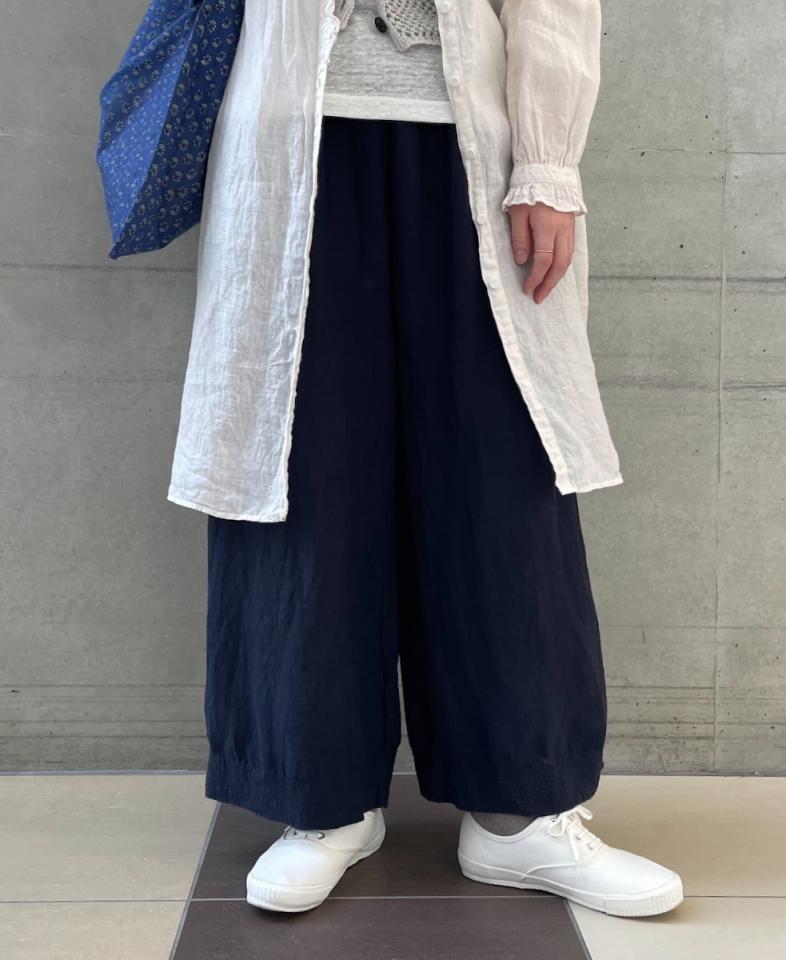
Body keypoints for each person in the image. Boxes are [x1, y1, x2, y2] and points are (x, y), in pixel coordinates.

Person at [171, 0, 683, 918]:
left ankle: (520, 814)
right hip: (291, 130)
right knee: (301, 469)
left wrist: (548, 163)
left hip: (471, 139)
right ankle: (320, 800)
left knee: (503, 474)